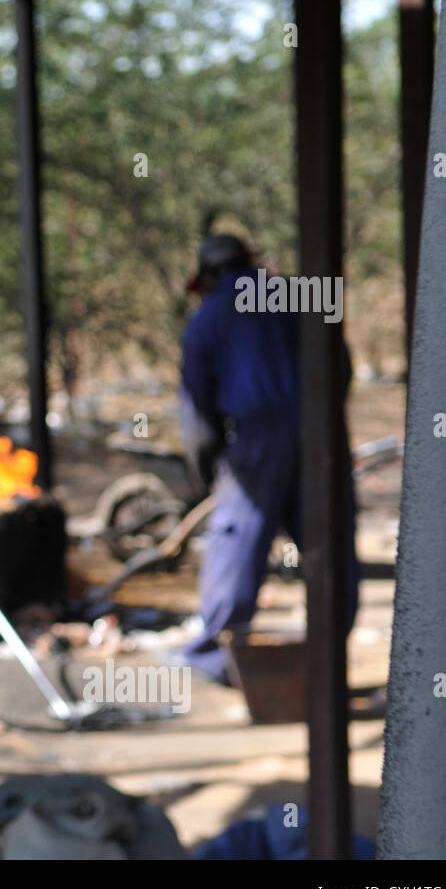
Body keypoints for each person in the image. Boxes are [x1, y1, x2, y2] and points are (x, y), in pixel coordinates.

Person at [175, 233, 359, 684]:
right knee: (327, 538)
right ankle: (329, 648)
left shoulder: (209, 319)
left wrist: (207, 469)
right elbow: (343, 365)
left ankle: (215, 655)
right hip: (322, 432)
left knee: (237, 539)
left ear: (211, 274)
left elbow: (197, 409)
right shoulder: (299, 294)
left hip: (257, 437)